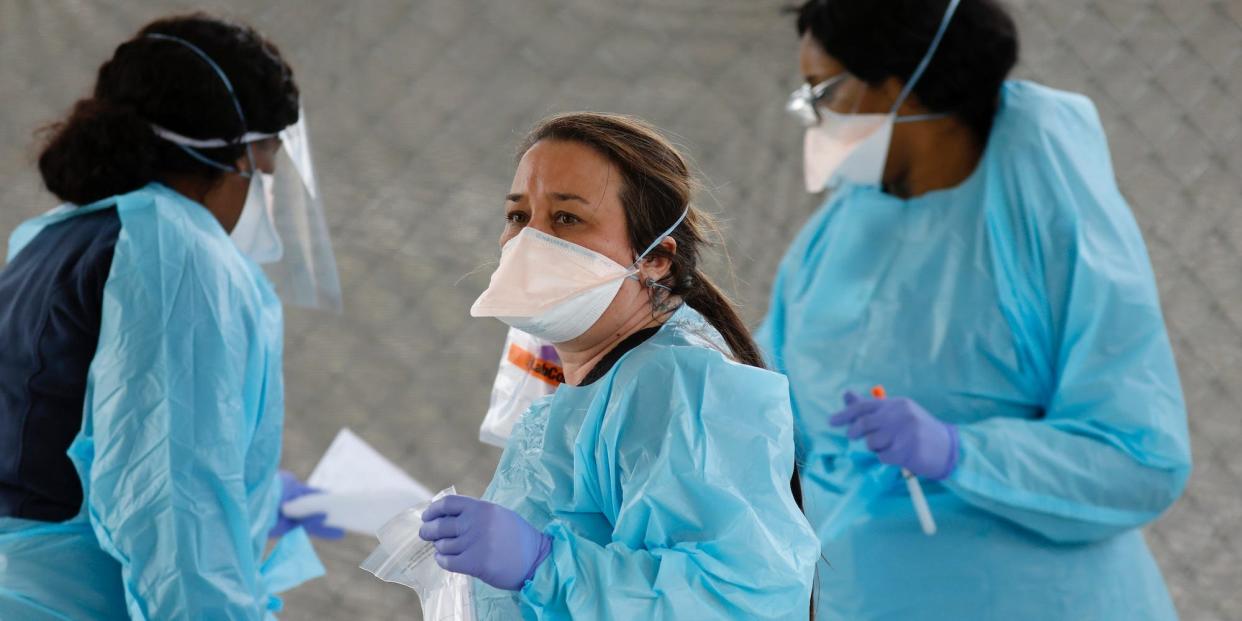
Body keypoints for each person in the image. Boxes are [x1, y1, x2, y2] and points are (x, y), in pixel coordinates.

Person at [759, 0, 1192, 619]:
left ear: (901, 88)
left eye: (821, 90)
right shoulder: (849, 222)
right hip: (865, 594)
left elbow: (1138, 459)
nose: (812, 115)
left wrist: (960, 452)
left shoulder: (1043, 225)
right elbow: (771, 375)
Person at [0, 14, 342, 620]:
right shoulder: (175, 252)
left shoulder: (55, 240)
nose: (263, 193)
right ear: (229, 158)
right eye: (263, 170)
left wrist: (253, 499)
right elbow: (170, 501)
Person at [417, 113, 819, 619]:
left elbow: (735, 596)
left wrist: (543, 564)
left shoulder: (680, 389)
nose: (528, 241)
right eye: (519, 216)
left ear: (655, 257)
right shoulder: (590, 385)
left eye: (567, 218)